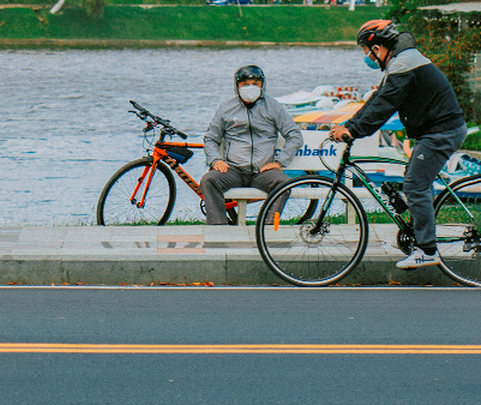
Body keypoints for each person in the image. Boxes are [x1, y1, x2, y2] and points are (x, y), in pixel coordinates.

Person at [330, 20, 467, 270]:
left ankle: (427, 250)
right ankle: (421, 235)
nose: (366, 57)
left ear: (378, 48)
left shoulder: (403, 64)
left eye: (365, 51)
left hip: (442, 131)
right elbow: (376, 100)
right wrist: (349, 124)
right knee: (417, 180)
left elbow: (384, 107)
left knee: (415, 183)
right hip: (436, 130)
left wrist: (353, 131)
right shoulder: (400, 62)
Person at [200, 64, 301, 224]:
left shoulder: (273, 107)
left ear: (262, 85)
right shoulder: (226, 108)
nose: (250, 88)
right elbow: (211, 138)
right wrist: (215, 160)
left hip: (262, 171)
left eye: (255, 84)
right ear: (237, 86)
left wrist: (279, 162)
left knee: (284, 183)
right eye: (245, 84)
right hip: (233, 170)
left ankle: (266, 227)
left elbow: (294, 135)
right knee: (209, 180)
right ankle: (218, 228)